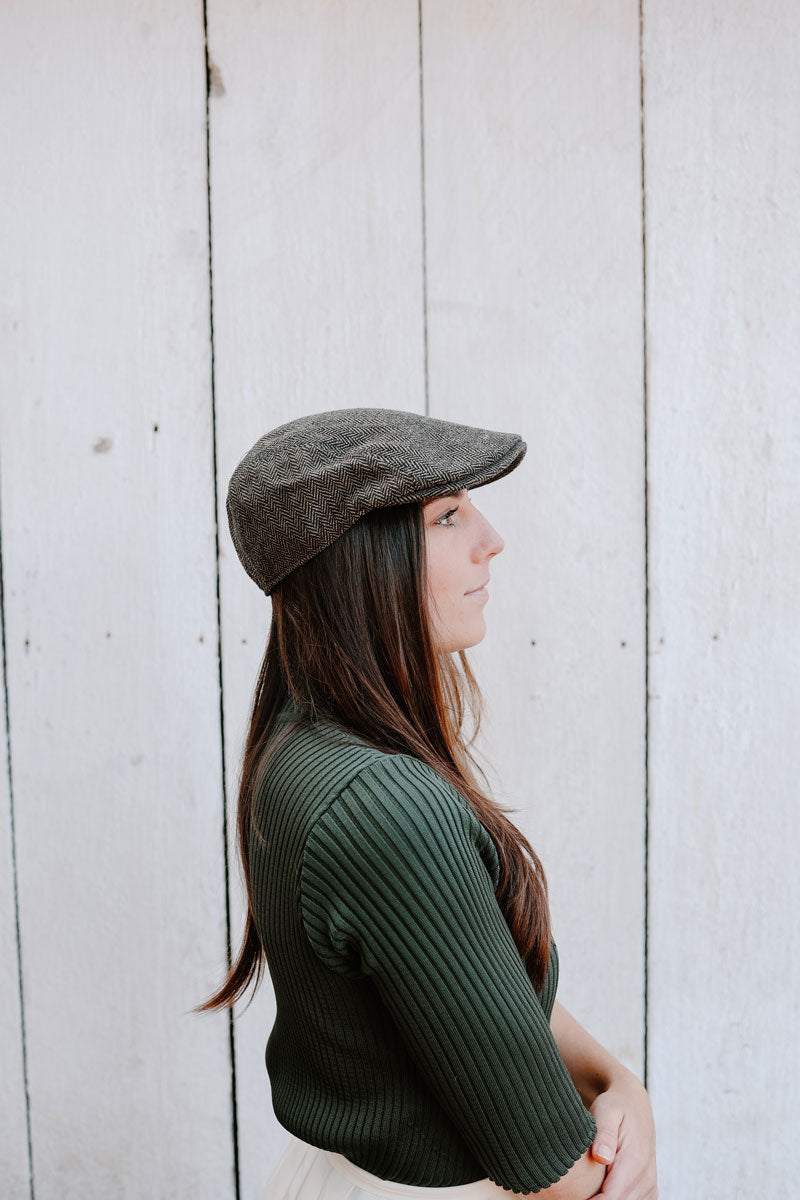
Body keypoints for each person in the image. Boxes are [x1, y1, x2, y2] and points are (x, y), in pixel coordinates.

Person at [194, 407, 658, 1200]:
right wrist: (629, 1163)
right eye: (448, 515)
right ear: (360, 561)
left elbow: (475, 987)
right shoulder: (387, 808)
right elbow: (554, 1172)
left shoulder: (303, 742)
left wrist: (621, 1086)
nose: (491, 539)